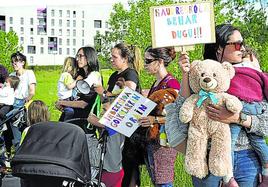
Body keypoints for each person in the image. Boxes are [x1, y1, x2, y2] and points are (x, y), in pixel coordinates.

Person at [165, 23, 268, 187]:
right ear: (219, 48)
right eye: (237, 44)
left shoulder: (252, 77)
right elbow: (181, 116)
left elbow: (266, 123)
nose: (242, 48)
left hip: (247, 159)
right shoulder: (200, 75)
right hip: (208, 158)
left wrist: (238, 118)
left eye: (243, 43)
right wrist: (185, 74)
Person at [90, 43, 143, 187]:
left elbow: (128, 102)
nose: (111, 59)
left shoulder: (130, 74)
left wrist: (102, 93)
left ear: (125, 58)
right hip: (113, 127)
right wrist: (101, 94)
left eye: (114, 57)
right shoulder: (114, 75)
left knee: (128, 167)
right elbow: (105, 100)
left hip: (125, 130)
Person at [138, 46, 181, 187]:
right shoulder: (156, 83)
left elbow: (178, 115)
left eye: (148, 60)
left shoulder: (172, 84)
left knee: (164, 182)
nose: (145, 64)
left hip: (165, 142)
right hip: (153, 140)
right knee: (157, 180)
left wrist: (154, 119)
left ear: (160, 61)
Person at [56, 46, 101, 121]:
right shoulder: (80, 76)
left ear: (89, 57)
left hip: (81, 120)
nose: (77, 59)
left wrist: (61, 102)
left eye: (80, 56)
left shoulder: (93, 77)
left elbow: (83, 104)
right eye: (77, 56)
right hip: (70, 116)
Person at [9, 51, 37, 151]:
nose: (14, 64)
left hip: (24, 103)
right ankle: (17, 151)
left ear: (23, 62)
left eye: (16, 61)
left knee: (26, 130)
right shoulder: (12, 75)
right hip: (12, 103)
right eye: (12, 62)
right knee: (14, 130)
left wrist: (25, 101)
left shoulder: (29, 73)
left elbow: (32, 91)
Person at [57, 57, 78, 121]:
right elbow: (69, 86)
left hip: (63, 98)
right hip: (66, 99)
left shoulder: (63, 75)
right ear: (70, 66)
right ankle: (66, 122)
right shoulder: (67, 75)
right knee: (70, 111)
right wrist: (77, 80)